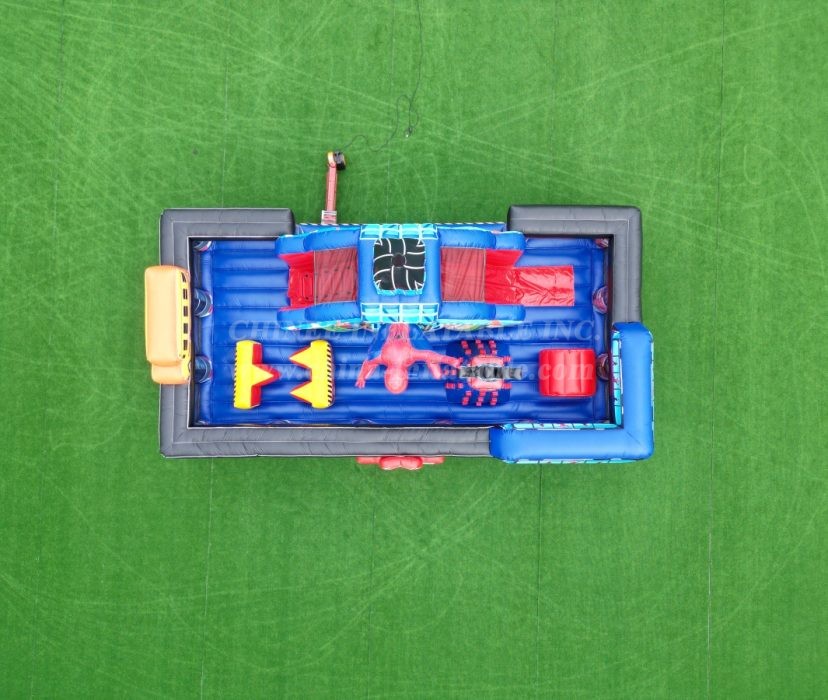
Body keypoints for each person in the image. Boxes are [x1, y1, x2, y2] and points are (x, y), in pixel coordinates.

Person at [355, 323, 461, 394]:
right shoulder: (408, 356)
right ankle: (465, 372)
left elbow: (368, 363)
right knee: (437, 374)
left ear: (386, 374)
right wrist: (450, 361)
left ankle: (459, 370)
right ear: (405, 375)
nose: (394, 379)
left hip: (392, 326)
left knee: (370, 362)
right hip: (407, 328)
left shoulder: (381, 357)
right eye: (398, 381)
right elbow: (429, 355)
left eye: (391, 381)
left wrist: (361, 376)